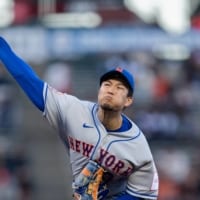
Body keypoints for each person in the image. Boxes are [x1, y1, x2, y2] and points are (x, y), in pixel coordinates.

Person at [0, 36, 159, 200]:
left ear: (128, 100)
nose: (111, 90)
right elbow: (28, 80)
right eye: (107, 84)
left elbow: (144, 196)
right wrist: (2, 48)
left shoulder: (138, 147)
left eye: (119, 88)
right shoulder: (74, 110)